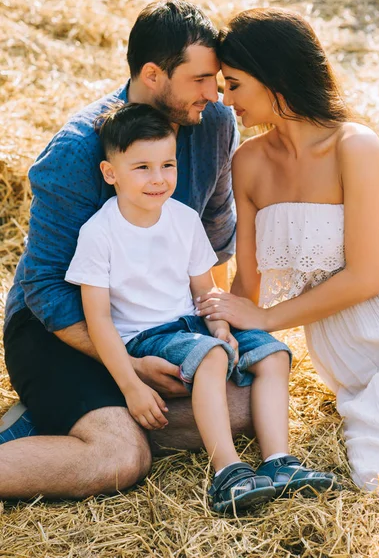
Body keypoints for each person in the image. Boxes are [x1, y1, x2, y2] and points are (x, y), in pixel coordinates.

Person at [0, 0, 243, 499]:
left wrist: (201, 319)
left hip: (155, 322)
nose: (213, 93)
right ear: (153, 74)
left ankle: (66, 418)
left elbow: (215, 231)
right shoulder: (75, 151)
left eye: (215, 79)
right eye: (199, 79)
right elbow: (43, 287)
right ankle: (85, 421)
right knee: (119, 457)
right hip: (61, 327)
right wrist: (128, 366)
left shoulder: (214, 123)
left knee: (244, 406)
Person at [65, 101, 338, 512]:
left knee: (273, 353)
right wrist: (131, 385)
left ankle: (280, 462)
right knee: (210, 355)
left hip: (192, 324)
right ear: (110, 173)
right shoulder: (99, 233)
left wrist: (221, 324)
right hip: (146, 336)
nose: (158, 179)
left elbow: (204, 290)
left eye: (167, 165)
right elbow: (98, 319)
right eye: (142, 168)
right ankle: (228, 473)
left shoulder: (183, 218)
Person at [195, 7, 379, 500]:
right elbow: (247, 284)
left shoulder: (355, 145)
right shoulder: (247, 162)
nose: (225, 99)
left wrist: (266, 319)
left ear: (275, 79)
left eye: (235, 84)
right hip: (345, 352)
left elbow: (366, 278)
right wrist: (221, 329)